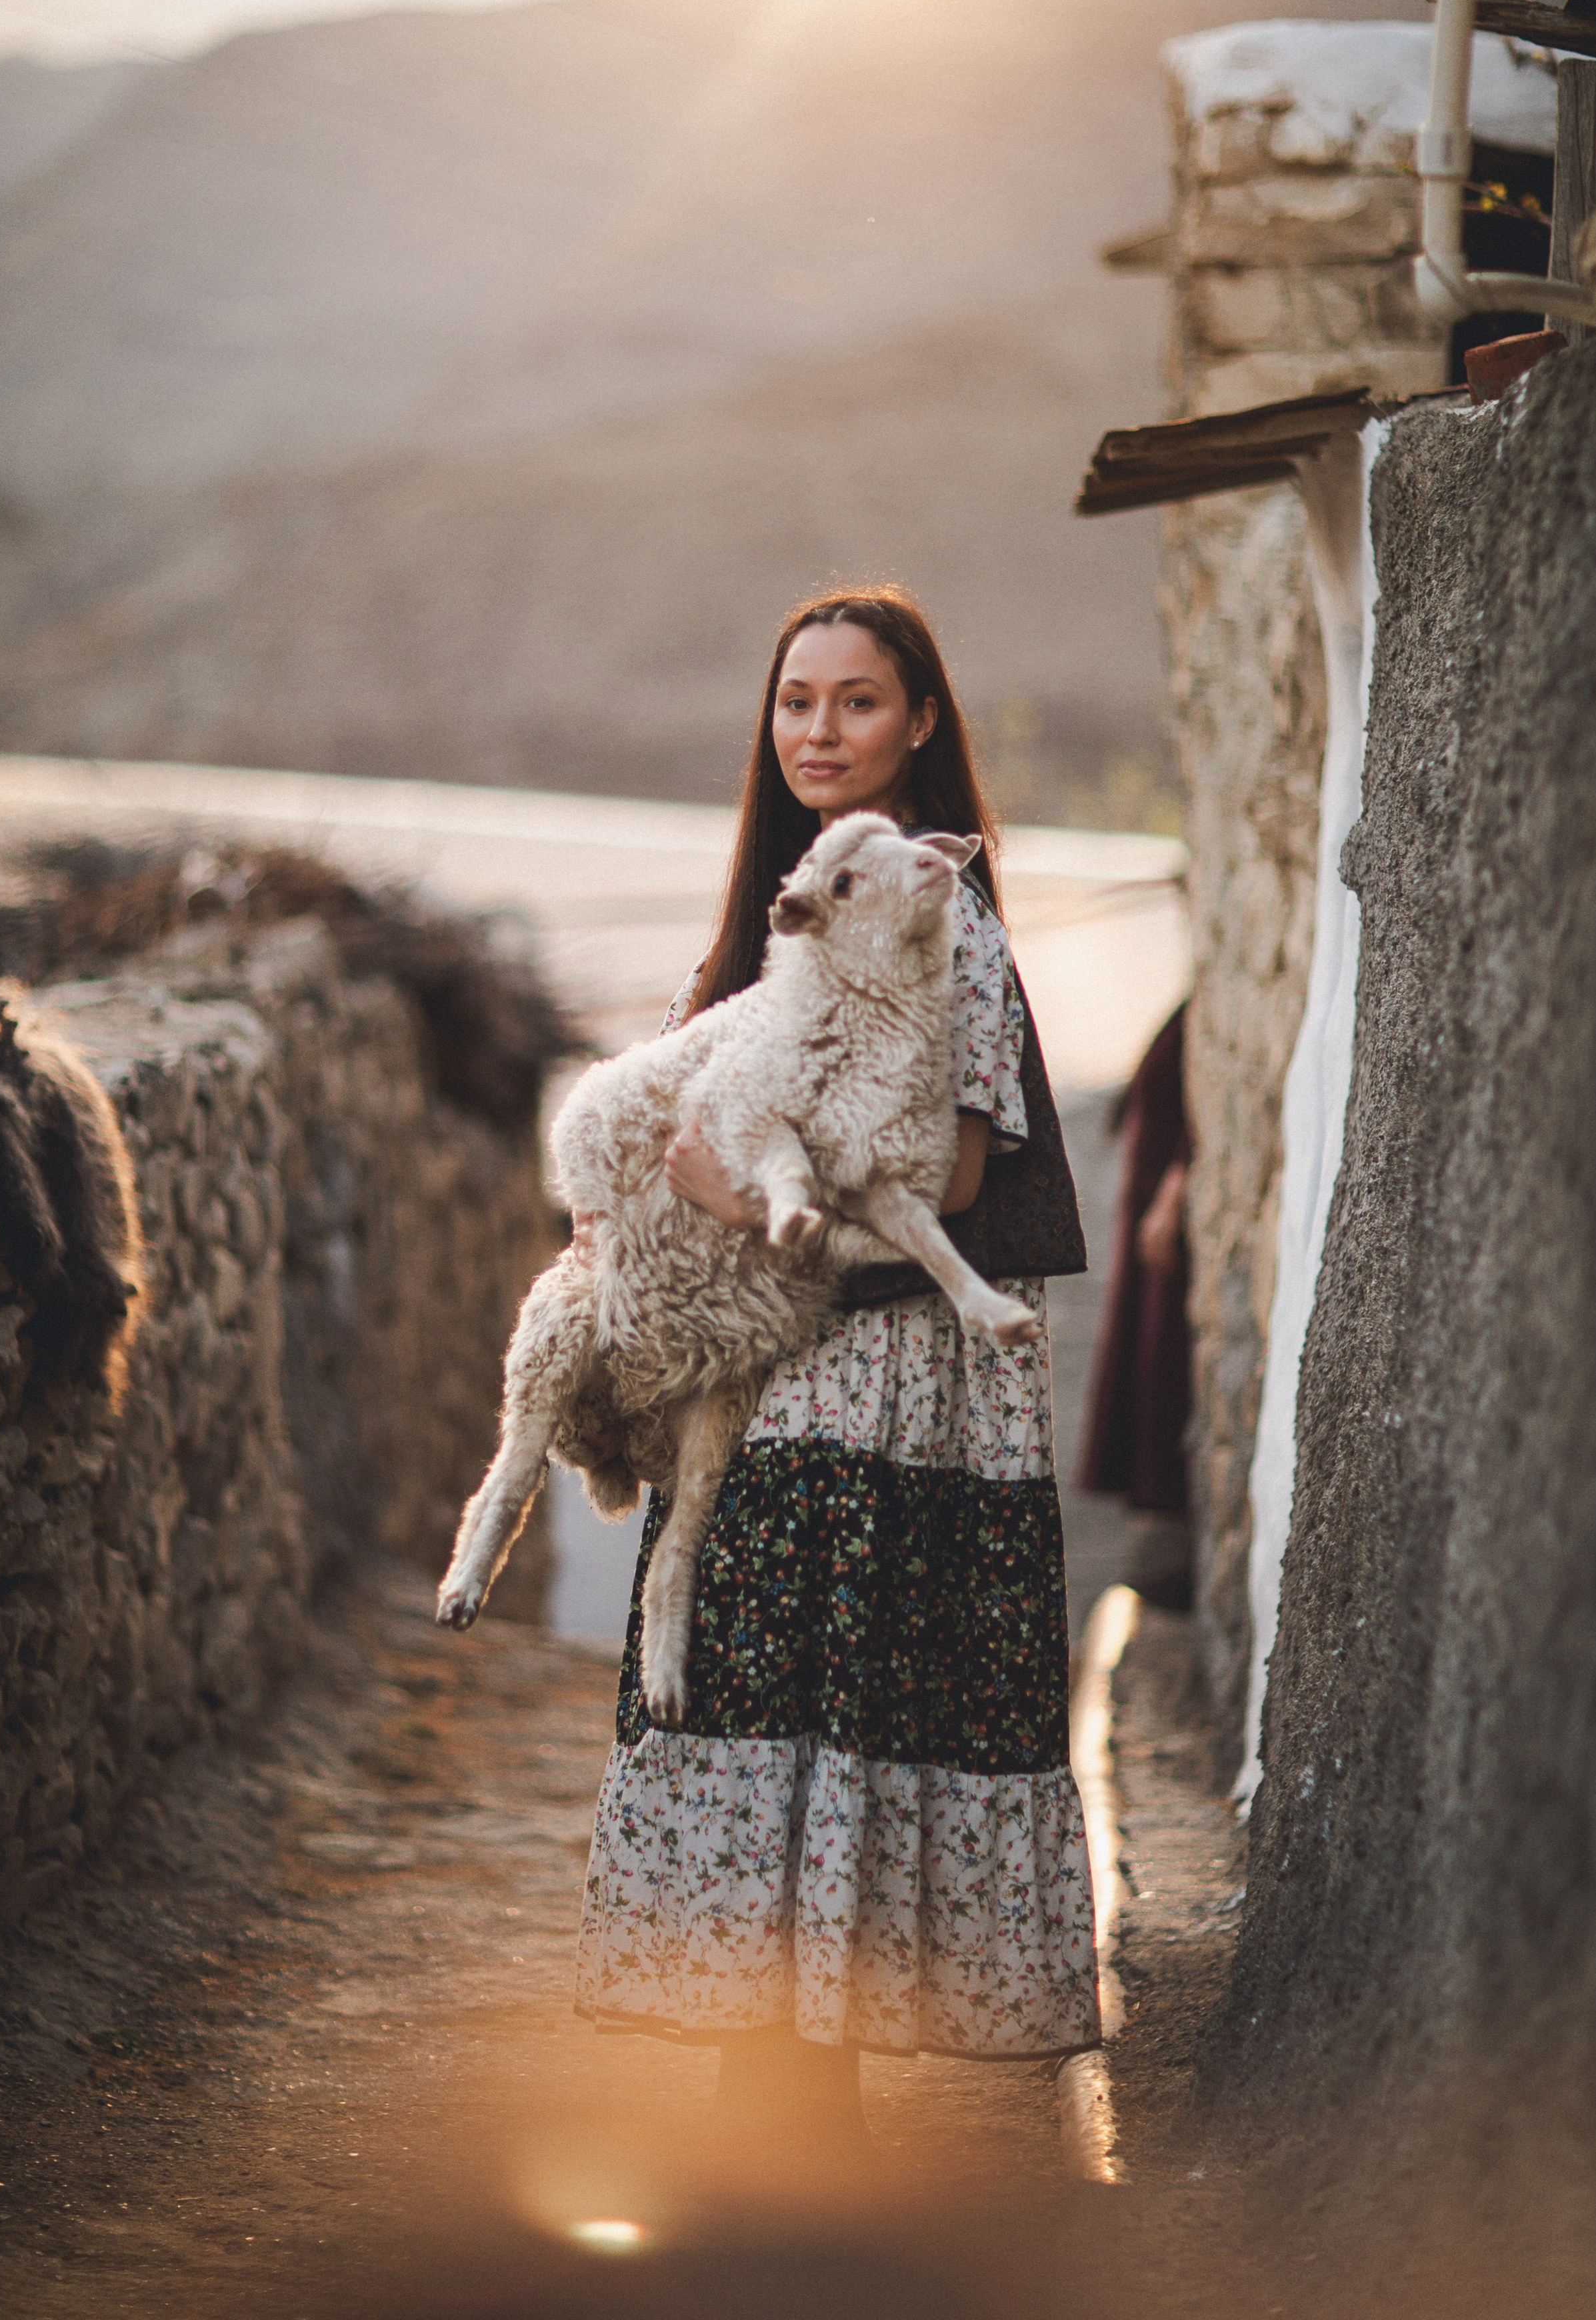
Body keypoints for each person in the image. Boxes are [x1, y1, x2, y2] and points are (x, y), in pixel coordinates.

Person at [573, 586, 1100, 2133]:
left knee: (825, 1703)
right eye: (794, 701)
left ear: (921, 719)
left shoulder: (943, 916)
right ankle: (771, 2110)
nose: (817, 730)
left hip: (879, 1385)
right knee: (752, 1693)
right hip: (768, 1375)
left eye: (854, 701)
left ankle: (802, 2133)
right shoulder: (777, 919)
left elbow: (940, 1178)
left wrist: (727, 1195)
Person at [1076, 1003, 1193, 1609]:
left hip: (1161, 1222)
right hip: (1145, 1216)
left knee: (1166, 1360)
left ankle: (1176, 1545)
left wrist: (1173, 1195)